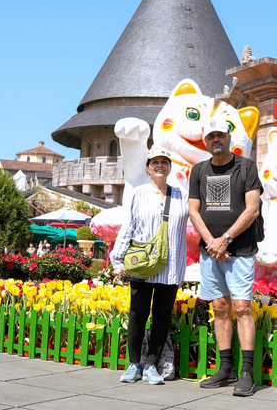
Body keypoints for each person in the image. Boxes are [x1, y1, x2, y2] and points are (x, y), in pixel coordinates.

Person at [189, 117, 263, 397]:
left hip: (239, 250)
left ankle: (246, 373)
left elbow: (252, 209)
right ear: (205, 141)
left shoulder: (246, 167)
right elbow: (194, 211)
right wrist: (211, 243)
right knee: (220, 307)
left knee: (242, 307)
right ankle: (225, 367)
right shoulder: (198, 171)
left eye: (220, 135)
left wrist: (225, 240)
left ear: (229, 137)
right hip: (210, 252)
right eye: (211, 136)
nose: (215, 140)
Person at [110, 146, 189, 385]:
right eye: (154, 162)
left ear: (170, 167)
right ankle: (134, 363)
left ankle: (151, 365)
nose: (159, 166)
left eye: (164, 162)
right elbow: (129, 226)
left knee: (162, 317)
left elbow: (195, 219)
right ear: (147, 167)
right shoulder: (138, 193)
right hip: (142, 266)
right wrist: (117, 260)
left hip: (171, 266)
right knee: (138, 314)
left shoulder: (180, 196)